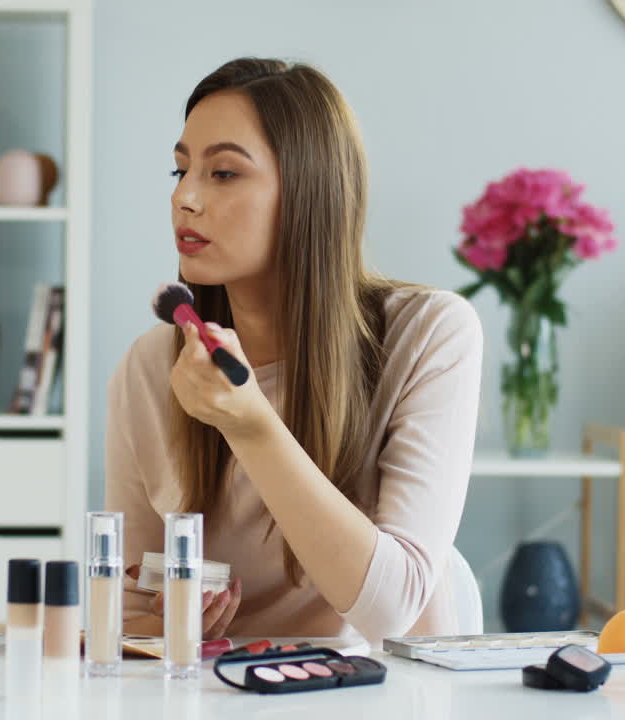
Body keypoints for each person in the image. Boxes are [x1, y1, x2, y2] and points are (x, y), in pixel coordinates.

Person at [105, 57, 484, 645]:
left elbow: (391, 611)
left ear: (311, 192)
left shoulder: (430, 334)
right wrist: (161, 627)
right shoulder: (152, 368)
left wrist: (253, 426)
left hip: (381, 694)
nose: (185, 197)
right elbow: (127, 614)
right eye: (179, 170)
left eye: (224, 173)